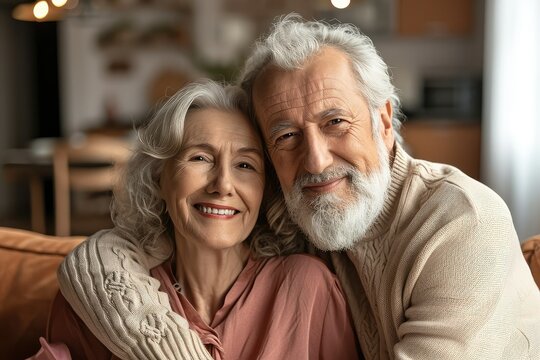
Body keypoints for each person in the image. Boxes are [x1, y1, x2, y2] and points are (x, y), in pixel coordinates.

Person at [58, 15, 540, 360]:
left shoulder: (460, 226)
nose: (315, 159)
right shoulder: (304, 210)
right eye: (285, 135)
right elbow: (115, 252)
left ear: (385, 121)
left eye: (335, 122)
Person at [36, 80, 358, 359]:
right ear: (159, 177)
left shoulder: (307, 288)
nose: (223, 185)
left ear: (265, 190)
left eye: (245, 165)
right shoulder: (101, 297)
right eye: (200, 158)